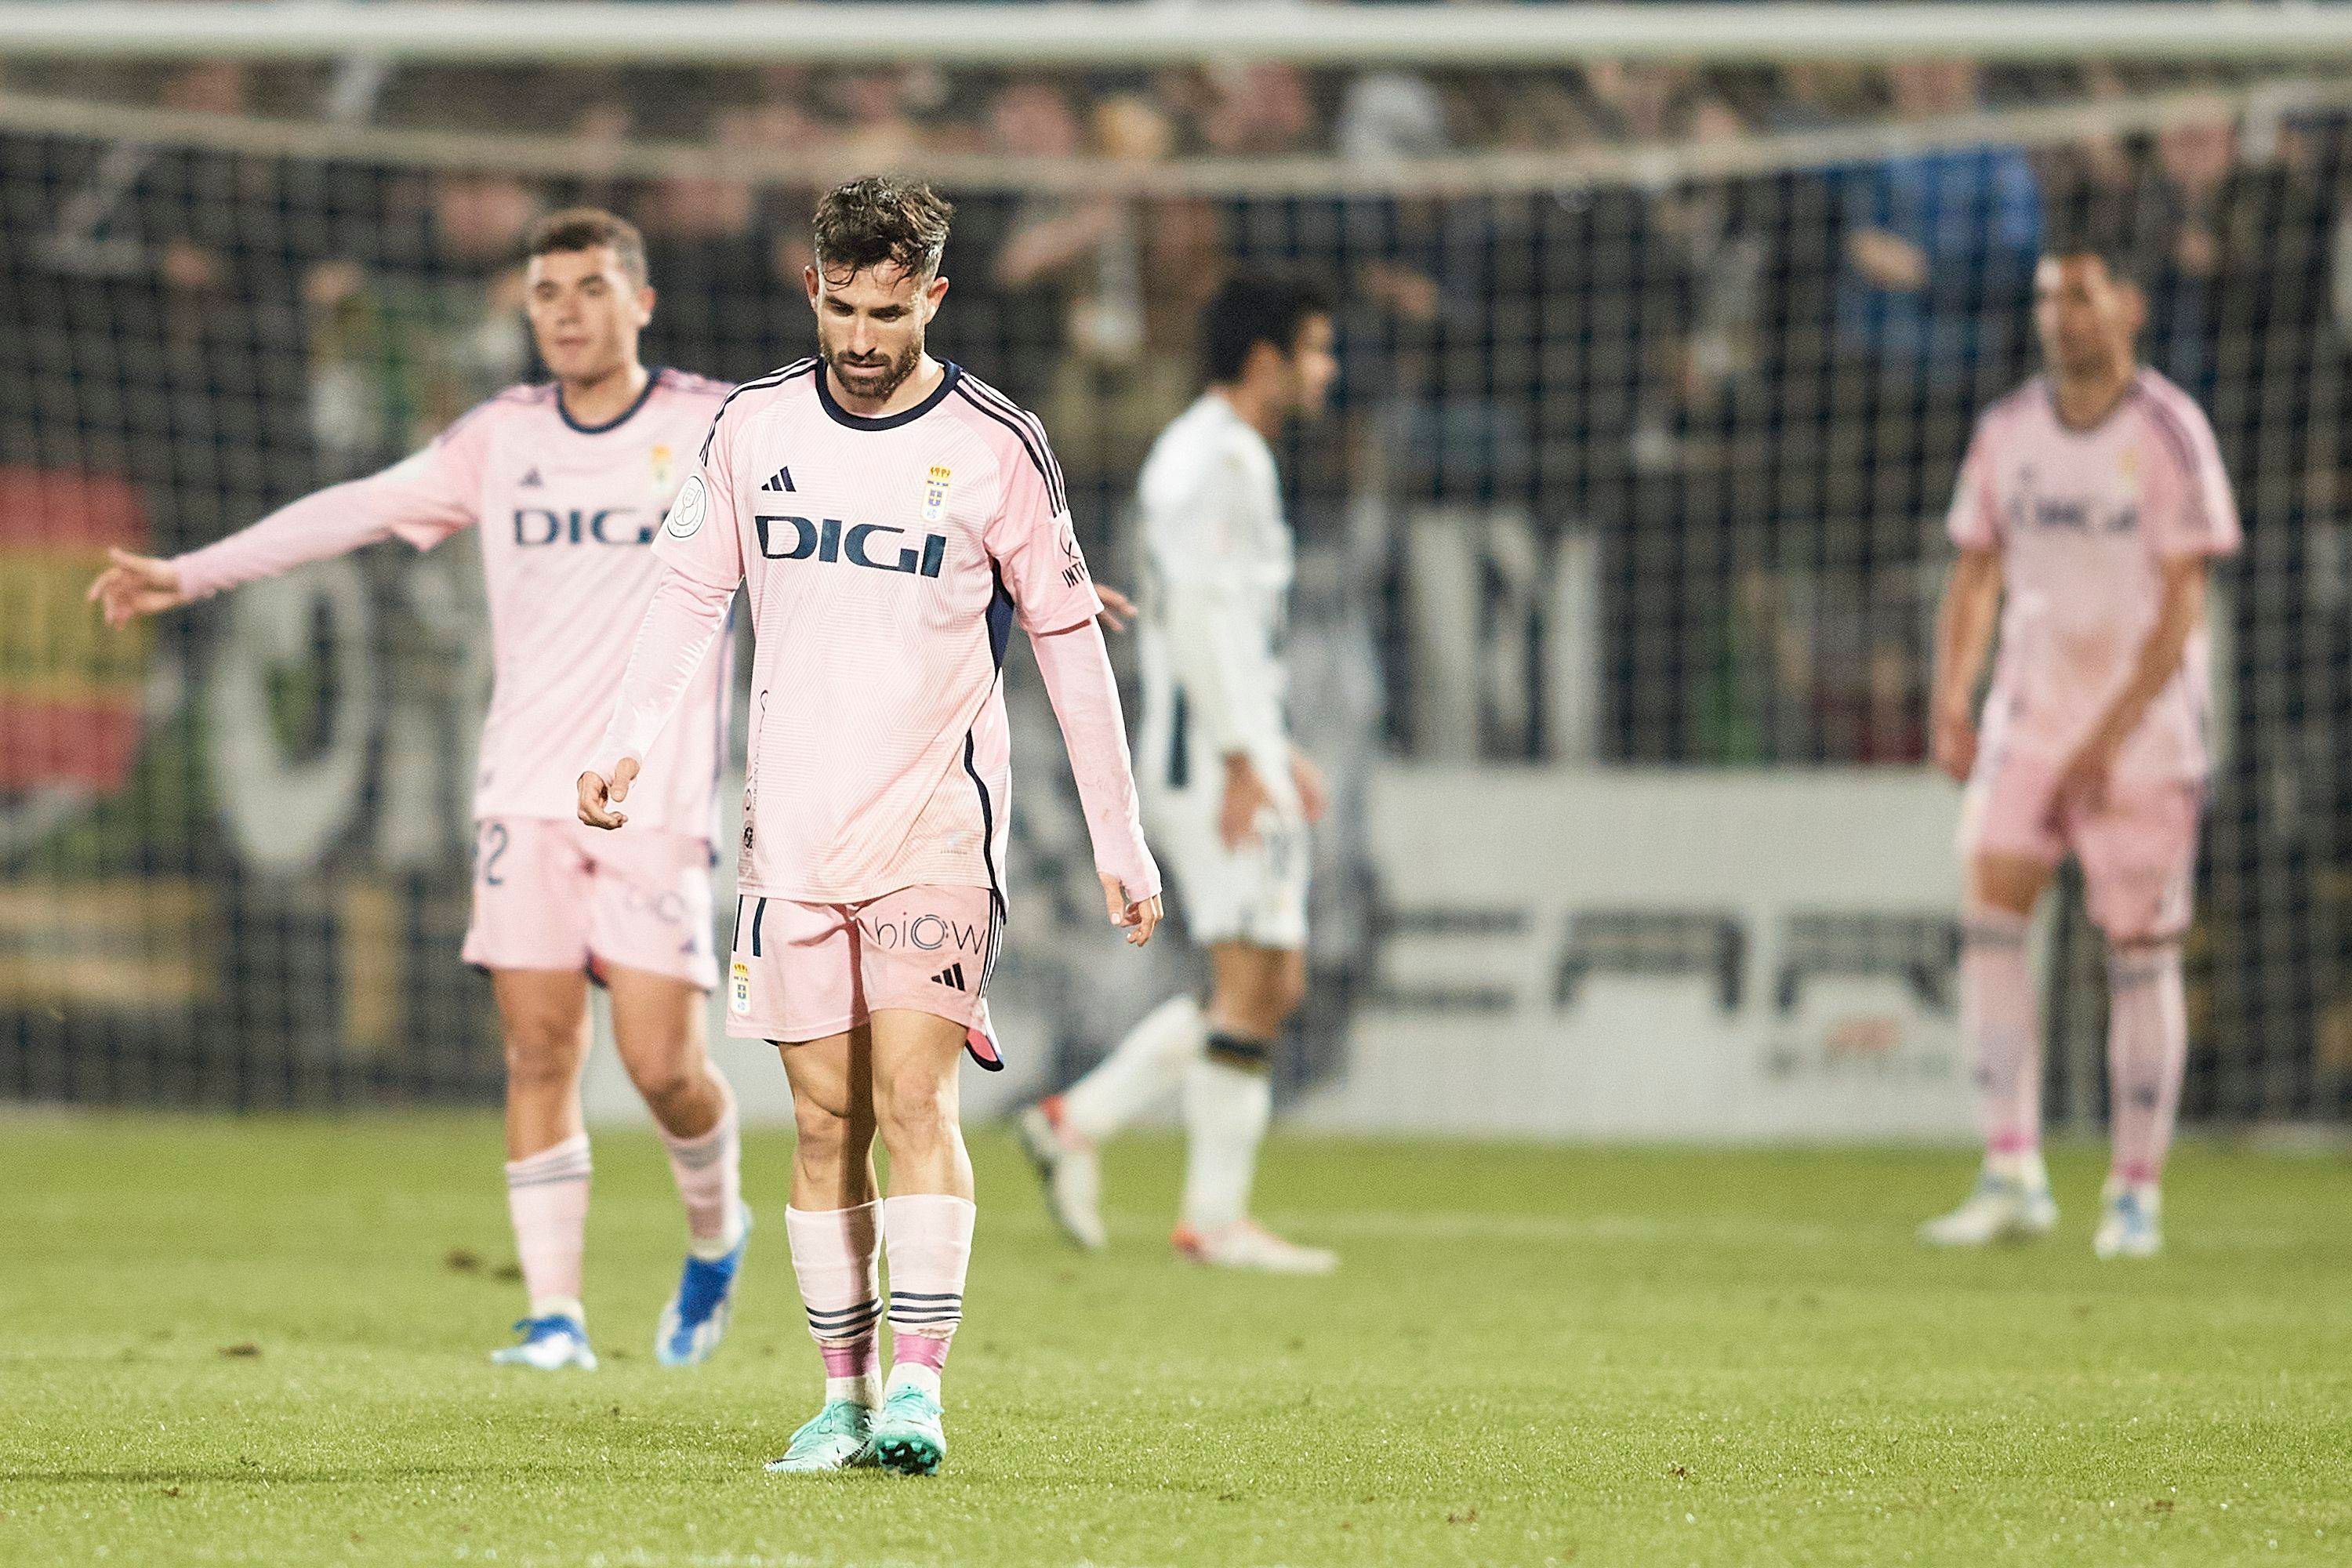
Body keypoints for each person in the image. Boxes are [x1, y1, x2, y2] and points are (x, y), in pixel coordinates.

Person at [89, 209, 750, 1370]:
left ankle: (717, 1229)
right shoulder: (501, 437)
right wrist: (189, 574)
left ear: (640, 303)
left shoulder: (716, 428)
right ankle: (555, 1318)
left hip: (657, 796)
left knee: (663, 1071)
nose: (566, 311)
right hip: (524, 791)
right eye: (547, 292)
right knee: (539, 1048)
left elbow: (835, 519)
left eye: (592, 289)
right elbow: (351, 510)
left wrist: (1015, 566)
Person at [576, 176, 1162, 1478]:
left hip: (934, 828)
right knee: (825, 1120)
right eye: (840, 307)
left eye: (885, 314)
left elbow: (1068, 643)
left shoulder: (1001, 445)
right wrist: (624, 740)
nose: (858, 336)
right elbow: (684, 598)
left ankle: (918, 1389)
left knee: (912, 1094)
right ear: (813, 291)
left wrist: (1122, 841)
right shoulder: (748, 429)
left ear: (932, 299)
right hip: (789, 838)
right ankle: (840, 1401)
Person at [1918, 236, 2240, 1260]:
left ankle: (2134, 1190)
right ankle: (2011, 1169)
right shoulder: (2007, 431)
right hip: (2028, 723)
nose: (2063, 315)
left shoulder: (2170, 432)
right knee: (1991, 919)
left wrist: (2107, 735)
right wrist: (1951, 696)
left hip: (2141, 739)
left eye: (2084, 293)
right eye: (2050, 295)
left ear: (2127, 306)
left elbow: (2185, 604)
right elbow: (1976, 572)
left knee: (2138, 953)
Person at [1015, 271, 1341, 1275]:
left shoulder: (1217, 454)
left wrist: (1269, 740)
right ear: (1267, 359)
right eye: (1317, 349)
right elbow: (1198, 617)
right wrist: (1247, 755)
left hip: (1221, 743)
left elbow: (1226, 624)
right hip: (1209, 756)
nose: (1328, 371)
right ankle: (1209, 1212)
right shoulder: (1216, 462)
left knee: (1261, 979)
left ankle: (1082, 1121)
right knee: (1260, 977)